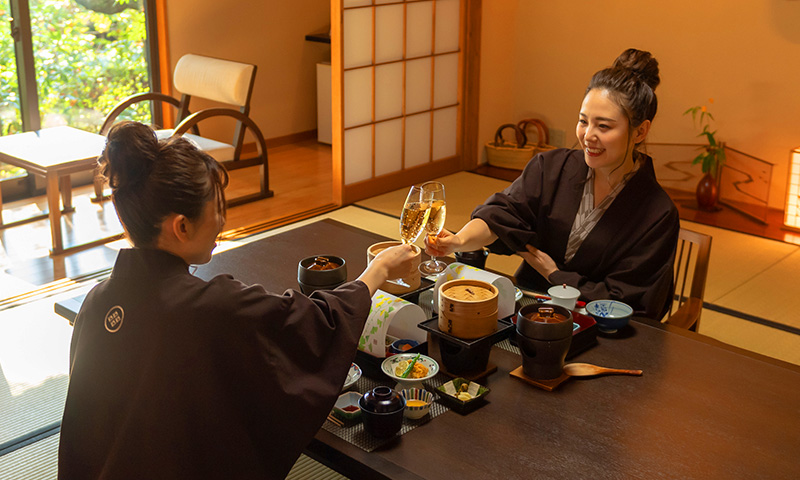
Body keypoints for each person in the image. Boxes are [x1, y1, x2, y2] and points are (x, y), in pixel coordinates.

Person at [58, 122, 417, 479]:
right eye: (217, 208)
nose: (222, 222)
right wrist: (378, 269)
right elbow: (311, 323)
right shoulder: (212, 307)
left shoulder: (96, 303)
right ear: (181, 226)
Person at [426, 48, 679, 320]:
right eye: (583, 122)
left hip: (600, 327)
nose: (588, 136)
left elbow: (629, 301)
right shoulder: (552, 167)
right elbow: (502, 214)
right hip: (529, 309)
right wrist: (459, 241)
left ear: (640, 131)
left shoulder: (657, 213)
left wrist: (554, 273)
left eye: (603, 127)